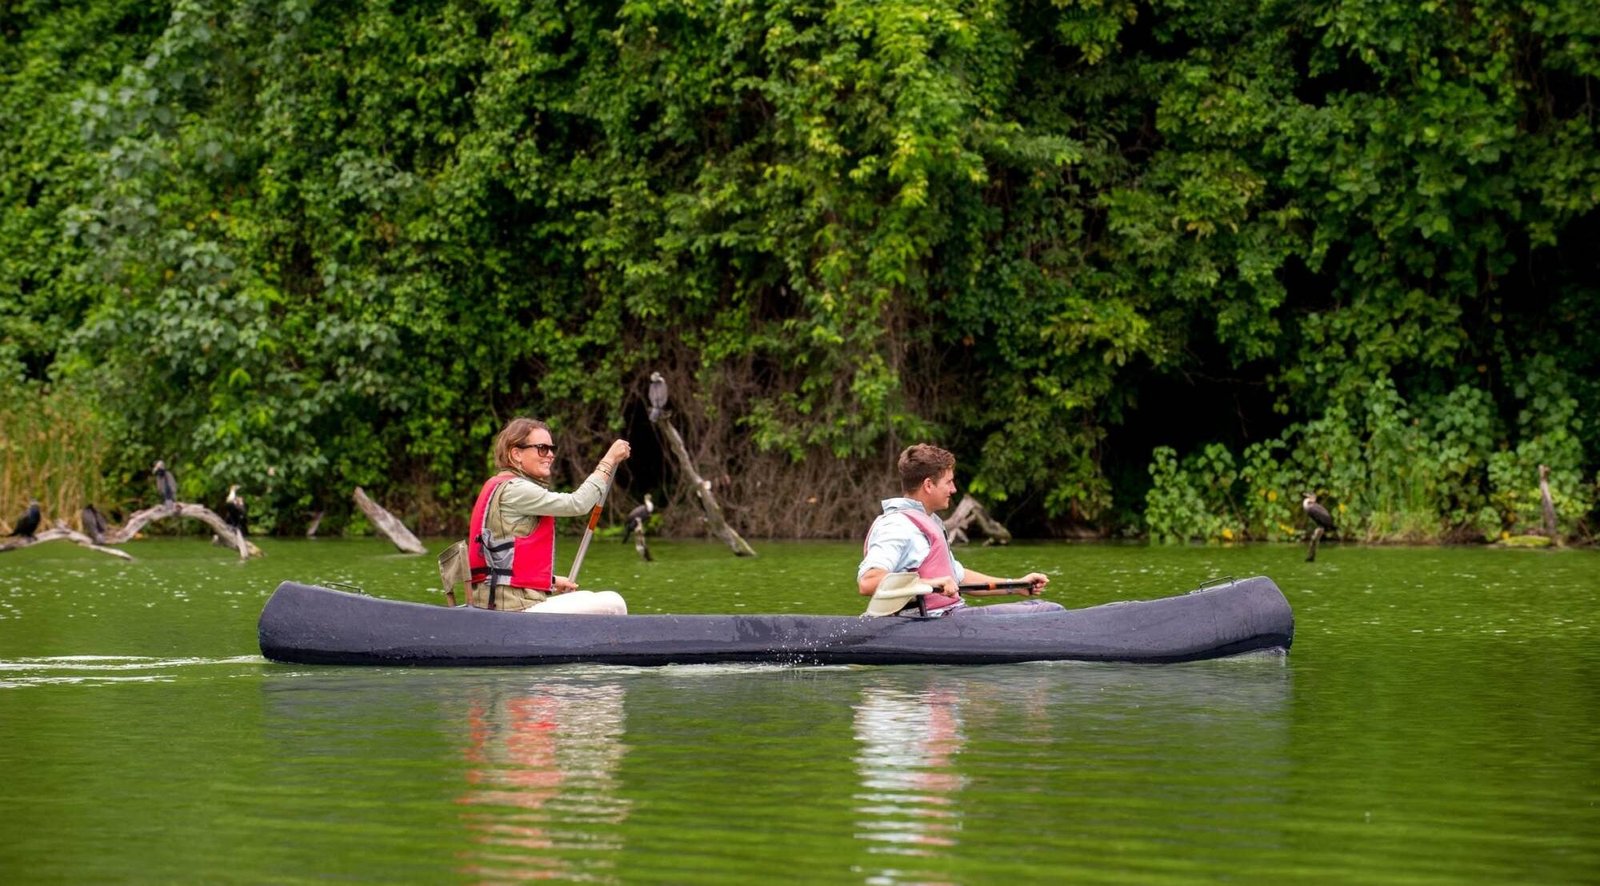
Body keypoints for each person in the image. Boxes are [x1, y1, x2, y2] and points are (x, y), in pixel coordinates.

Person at [857, 444, 1058, 617]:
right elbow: (868, 582)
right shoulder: (897, 526)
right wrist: (930, 583)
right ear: (928, 485)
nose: (953, 489)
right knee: (1048, 611)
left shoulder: (928, 522)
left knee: (1039, 607)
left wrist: (1016, 586)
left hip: (949, 617)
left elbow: (959, 577)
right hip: (927, 623)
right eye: (949, 482)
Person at [467, 417, 631, 614]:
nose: (550, 455)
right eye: (542, 448)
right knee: (614, 602)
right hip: (512, 610)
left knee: (588, 597)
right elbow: (577, 504)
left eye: (552, 449)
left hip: (504, 604)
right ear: (516, 454)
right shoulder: (516, 489)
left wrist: (550, 581)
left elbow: (502, 563)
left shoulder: (503, 485)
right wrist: (609, 461)